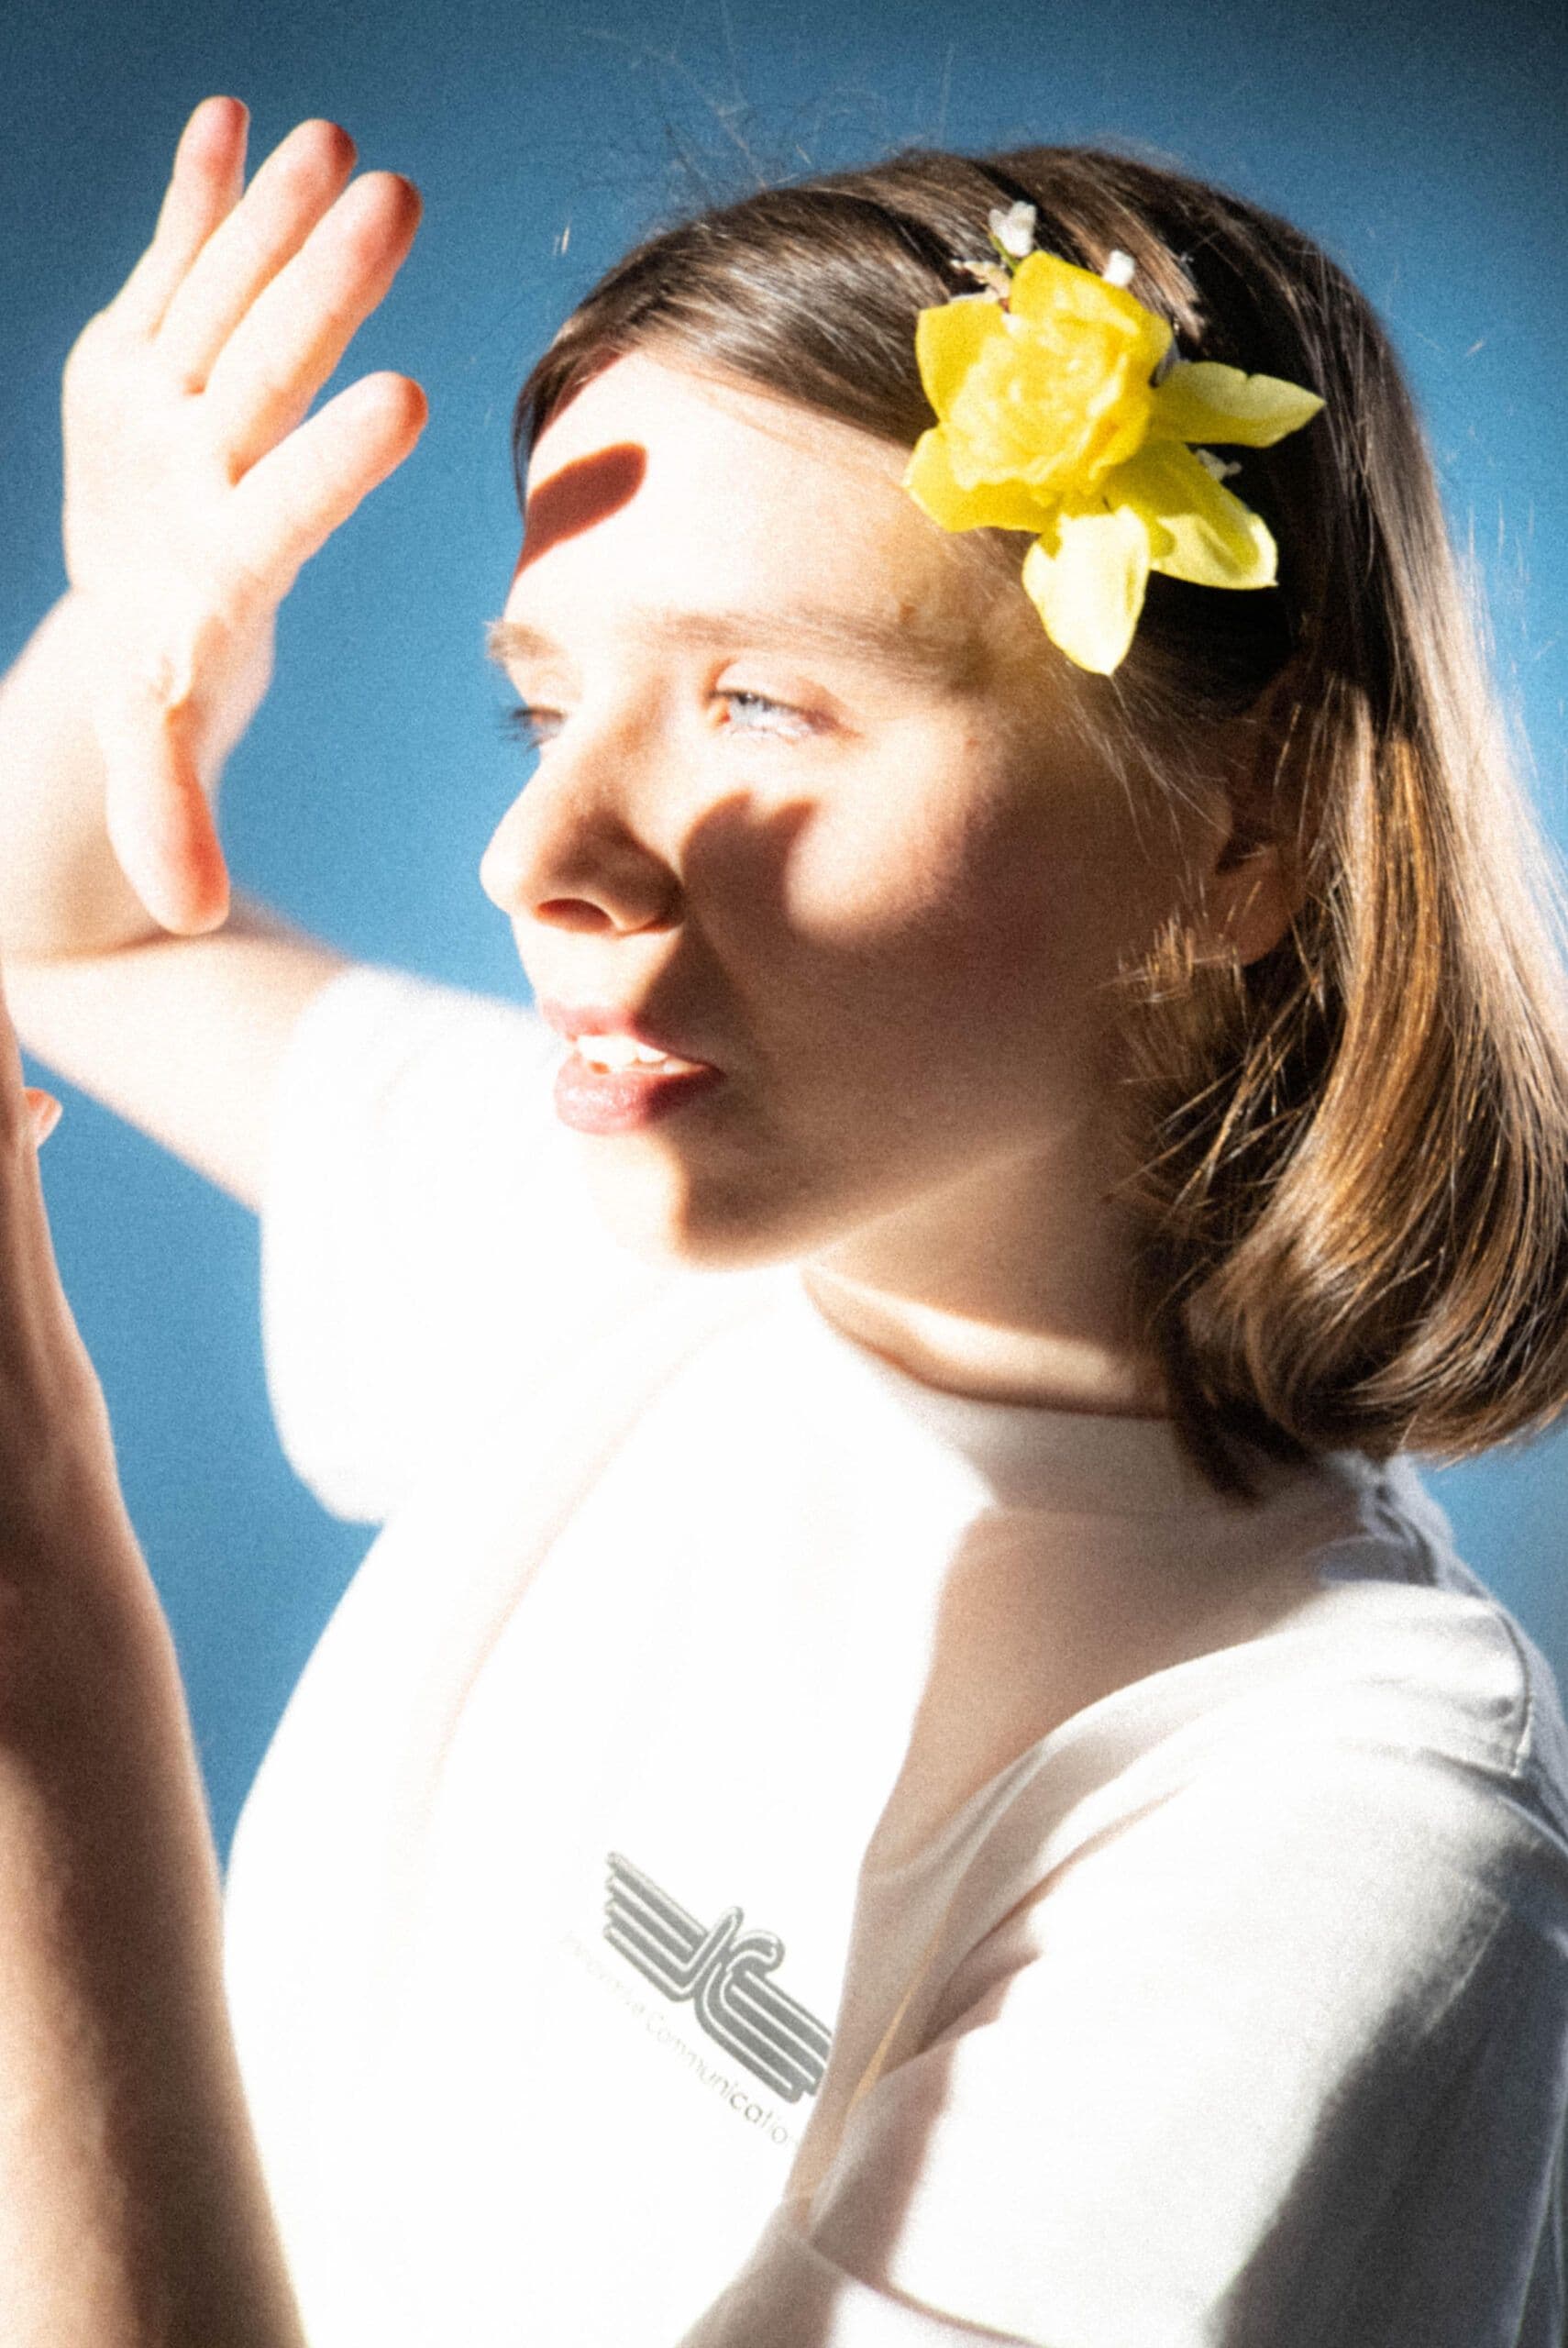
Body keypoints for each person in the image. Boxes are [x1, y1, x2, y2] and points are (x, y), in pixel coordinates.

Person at [0, 87, 1565, 2348]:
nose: (534, 854)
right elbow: (67, 929)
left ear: (1247, 829)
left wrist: (51, 1674)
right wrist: (138, 625)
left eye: (759, 697)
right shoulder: (632, 1255)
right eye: (543, 701)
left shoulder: (1342, 1819)